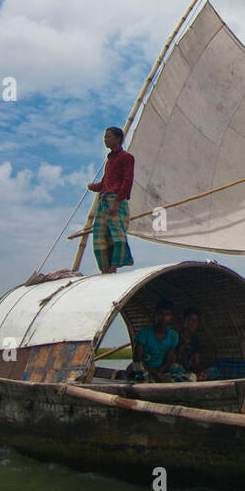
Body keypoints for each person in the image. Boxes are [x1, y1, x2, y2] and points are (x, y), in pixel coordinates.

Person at [87, 126, 135, 274]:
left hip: (116, 199)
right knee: (100, 234)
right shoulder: (110, 160)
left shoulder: (126, 157)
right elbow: (105, 183)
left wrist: (116, 202)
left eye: (108, 136)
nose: (105, 139)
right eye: (105, 137)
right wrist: (93, 186)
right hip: (104, 200)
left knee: (116, 234)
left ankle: (114, 266)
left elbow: (127, 181)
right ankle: (105, 268)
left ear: (118, 138)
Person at [129, 299, 189, 382]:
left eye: (167, 314)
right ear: (155, 316)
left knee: (185, 373)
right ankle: (157, 380)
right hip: (145, 369)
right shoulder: (144, 333)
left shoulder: (173, 335)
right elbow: (137, 360)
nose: (164, 318)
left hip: (162, 369)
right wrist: (155, 373)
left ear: (171, 317)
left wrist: (160, 372)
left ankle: (158, 380)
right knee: (135, 367)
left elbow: (169, 360)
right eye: (160, 314)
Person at [177, 307, 220, 381]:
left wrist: (200, 372)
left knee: (214, 371)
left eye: (196, 321)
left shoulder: (195, 340)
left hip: (191, 372)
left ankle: (194, 378)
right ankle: (191, 378)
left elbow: (196, 363)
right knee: (175, 367)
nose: (193, 323)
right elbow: (174, 361)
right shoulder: (176, 337)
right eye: (191, 320)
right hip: (179, 371)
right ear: (184, 320)